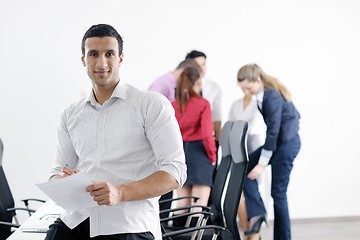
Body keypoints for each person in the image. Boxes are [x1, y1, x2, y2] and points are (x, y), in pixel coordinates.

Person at [45, 24, 187, 240]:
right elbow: (58, 170)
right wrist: (61, 180)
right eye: (93, 54)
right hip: (78, 220)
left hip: (128, 225)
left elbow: (175, 171)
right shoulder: (70, 114)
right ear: (83, 59)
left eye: (109, 54)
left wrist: (121, 192)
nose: (101, 63)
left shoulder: (150, 105)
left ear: (120, 58)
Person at [237, 64, 301, 240]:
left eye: (248, 87)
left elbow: (273, 131)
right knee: (244, 168)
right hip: (278, 143)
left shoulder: (271, 96)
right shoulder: (263, 94)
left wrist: (262, 164)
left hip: (286, 145)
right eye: (243, 89)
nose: (246, 92)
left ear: (258, 80)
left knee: (278, 193)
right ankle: (258, 214)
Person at [148, 58, 199, 222]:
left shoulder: (170, 84)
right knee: (162, 192)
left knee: (167, 187)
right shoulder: (163, 85)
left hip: (164, 148)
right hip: (156, 147)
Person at [171, 65, 217, 226]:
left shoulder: (174, 104)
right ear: (198, 81)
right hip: (199, 154)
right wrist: (212, 156)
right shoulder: (203, 104)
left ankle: (175, 237)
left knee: (181, 203)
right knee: (199, 204)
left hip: (180, 154)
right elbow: (206, 134)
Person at [228, 85, 266, 240]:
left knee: (251, 188)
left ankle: (254, 234)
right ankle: (248, 232)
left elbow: (254, 127)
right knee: (238, 193)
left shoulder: (259, 102)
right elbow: (230, 126)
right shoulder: (236, 104)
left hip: (252, 146)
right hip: (236, 148)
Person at [185, 50, 222, 161]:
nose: (202, 69)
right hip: (185, 142)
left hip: (207, 141)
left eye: (203, 64)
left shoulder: (214, 87)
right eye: (197, 65)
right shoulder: (180, 87)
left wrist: (216, 144)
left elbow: (217, 117)